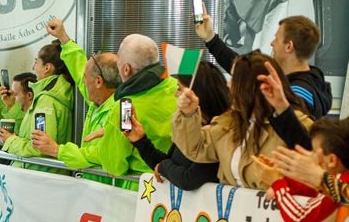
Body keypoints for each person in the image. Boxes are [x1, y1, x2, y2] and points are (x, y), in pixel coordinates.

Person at [172, 52, 312, 189]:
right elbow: (196, 148)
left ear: (248, 86)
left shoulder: (296, 124)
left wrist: (282, 108)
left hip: (274, 210)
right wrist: (188, 115)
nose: (228, 85)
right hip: (232, 211)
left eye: (233, 79)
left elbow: (314, 166)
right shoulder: (229, 122)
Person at [31, 19, 121, 187]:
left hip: (112, 193)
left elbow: (102, 153)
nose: (81, 83)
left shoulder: (122, 111)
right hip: (93, 188)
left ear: (99, 82)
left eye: (86, 79)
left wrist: (58, 151)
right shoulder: (98, 100)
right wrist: (63, 38)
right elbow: (80, 69)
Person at [195, 10, 332, 118]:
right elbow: (243, 70)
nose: (272, 43)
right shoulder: (284, 81)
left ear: (289, 46)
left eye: (276, 39)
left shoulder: (299, 94)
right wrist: (210, 38)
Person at [83, 34, 179, 179]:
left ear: (126, 69)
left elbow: (114, 166)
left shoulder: (125, 107)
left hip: (140, 191)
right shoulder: (179, 89)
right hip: (178, 188)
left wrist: (110, 136)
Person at [125, 62, 230, 190]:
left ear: (196, 94)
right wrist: (140, 141)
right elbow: (170, 163)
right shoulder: (188, 127)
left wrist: (164, 167)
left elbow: (188, 178)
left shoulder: (219, 130)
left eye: (179, 88)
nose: (175, 94)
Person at [254, 118, 349, 222]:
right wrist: (282, 177)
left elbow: (299, 219)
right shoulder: (337, 179)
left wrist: (277, 183)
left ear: (332, 160)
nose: (310, 156)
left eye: (313, 151)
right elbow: (309, 188)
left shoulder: (341, 180)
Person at [0, 41, 75, 168]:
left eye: (36, 62)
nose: (33, 68)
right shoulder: (52, 96)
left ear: (47, 68)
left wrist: (11, 140)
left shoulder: (46, 100)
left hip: (39, 176)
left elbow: (39, 148)